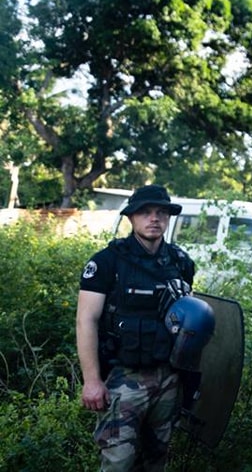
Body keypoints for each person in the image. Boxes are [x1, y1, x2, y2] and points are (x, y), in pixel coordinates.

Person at [76, 184, 197, 472]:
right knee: (118, 464)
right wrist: (92, 381)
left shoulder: (180, 262)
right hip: (123, 379)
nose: (154, 218)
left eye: (161, 212)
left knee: (156, 461)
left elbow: (189, 321)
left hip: (168, 377)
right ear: (131, 217)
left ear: (168, 217)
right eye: (145, 212)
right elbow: (86, 320)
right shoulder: (106, 262)